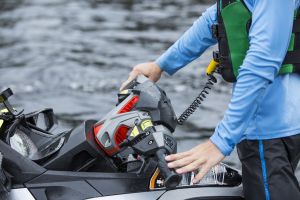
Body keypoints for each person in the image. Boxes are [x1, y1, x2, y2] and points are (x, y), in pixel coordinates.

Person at [121, 0, 300, 199]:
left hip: (268, 127)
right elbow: (218, 16)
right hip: (272, 122)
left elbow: (262, 63)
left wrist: (220, 142)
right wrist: (160, 64)